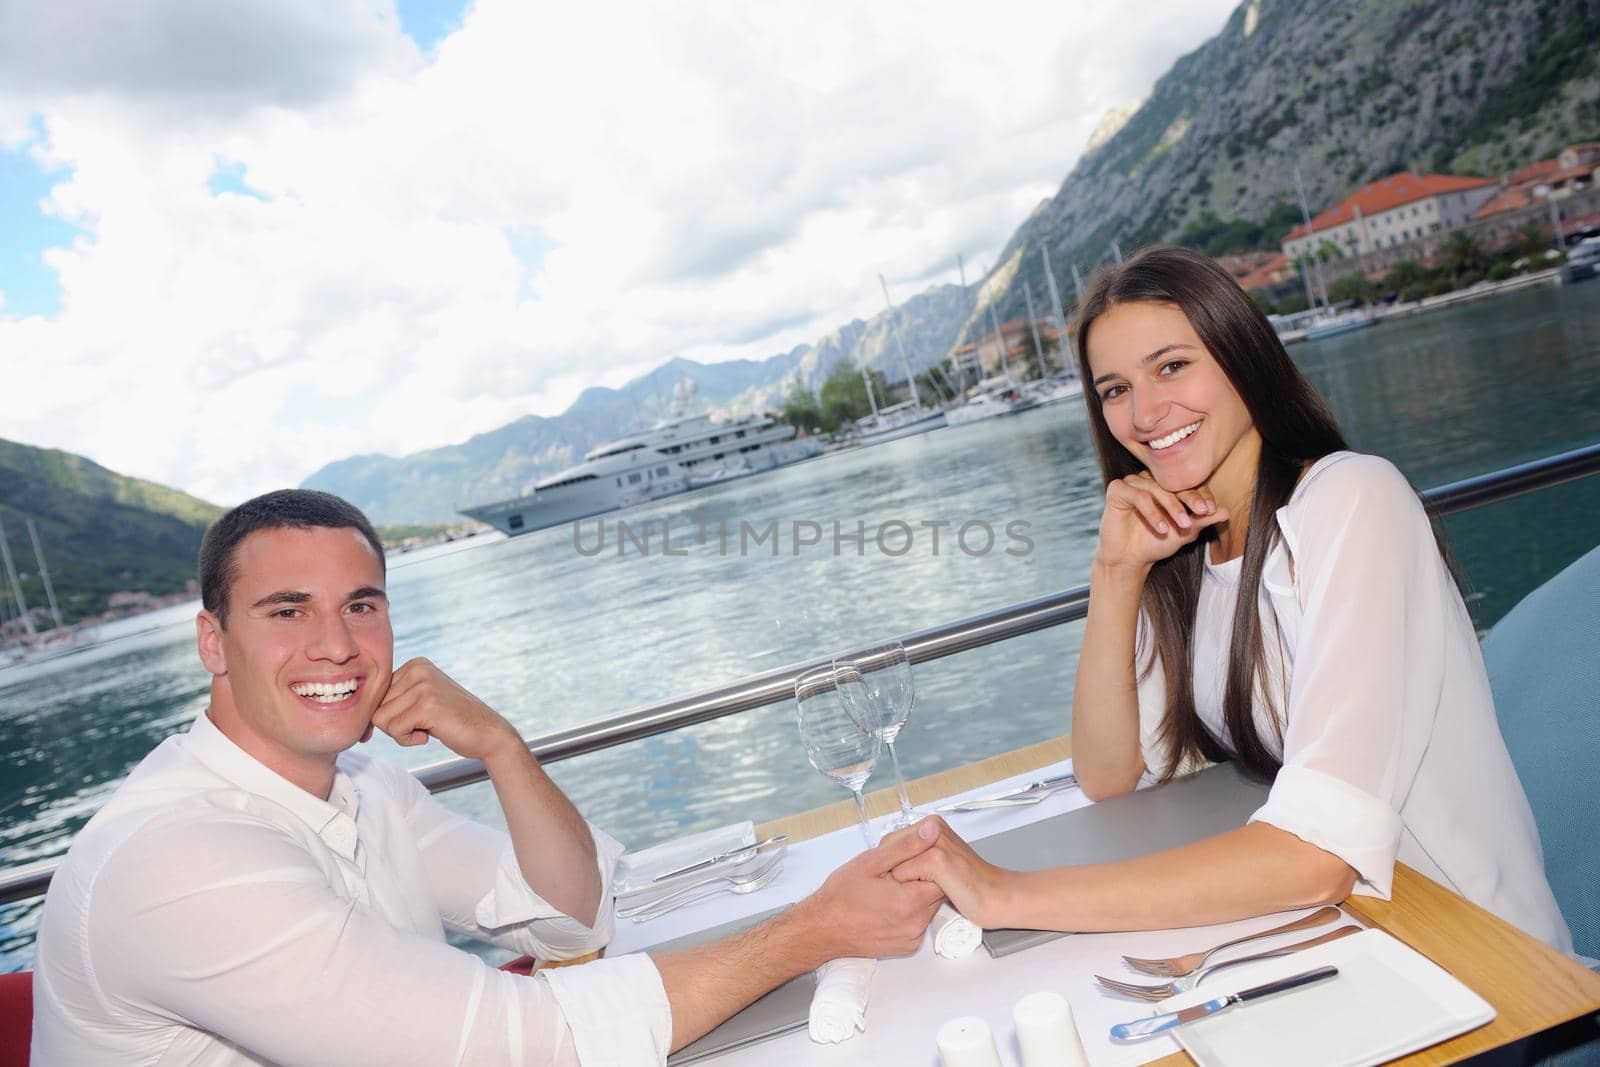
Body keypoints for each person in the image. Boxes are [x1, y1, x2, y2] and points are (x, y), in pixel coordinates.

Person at [32, 489, 944, 1065]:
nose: (337, 645)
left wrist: (502, 746)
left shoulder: (363, 784)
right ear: (211, 642)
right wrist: (812, 929)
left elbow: (571, 915)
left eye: (360, 605)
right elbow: (519, 1044)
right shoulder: (178, 862)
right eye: (286, 611)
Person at [889, 245, 1571, 952]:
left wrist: (1008, 894)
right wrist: (1115, 570)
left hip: (1478, 954)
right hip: (1344, 934)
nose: (1147, 413)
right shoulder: (1190, 551)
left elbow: (1317, 856)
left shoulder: (1350, 502)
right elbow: (1108, 772)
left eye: (1172, 365)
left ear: (1243, 355)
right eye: (1115, 389)